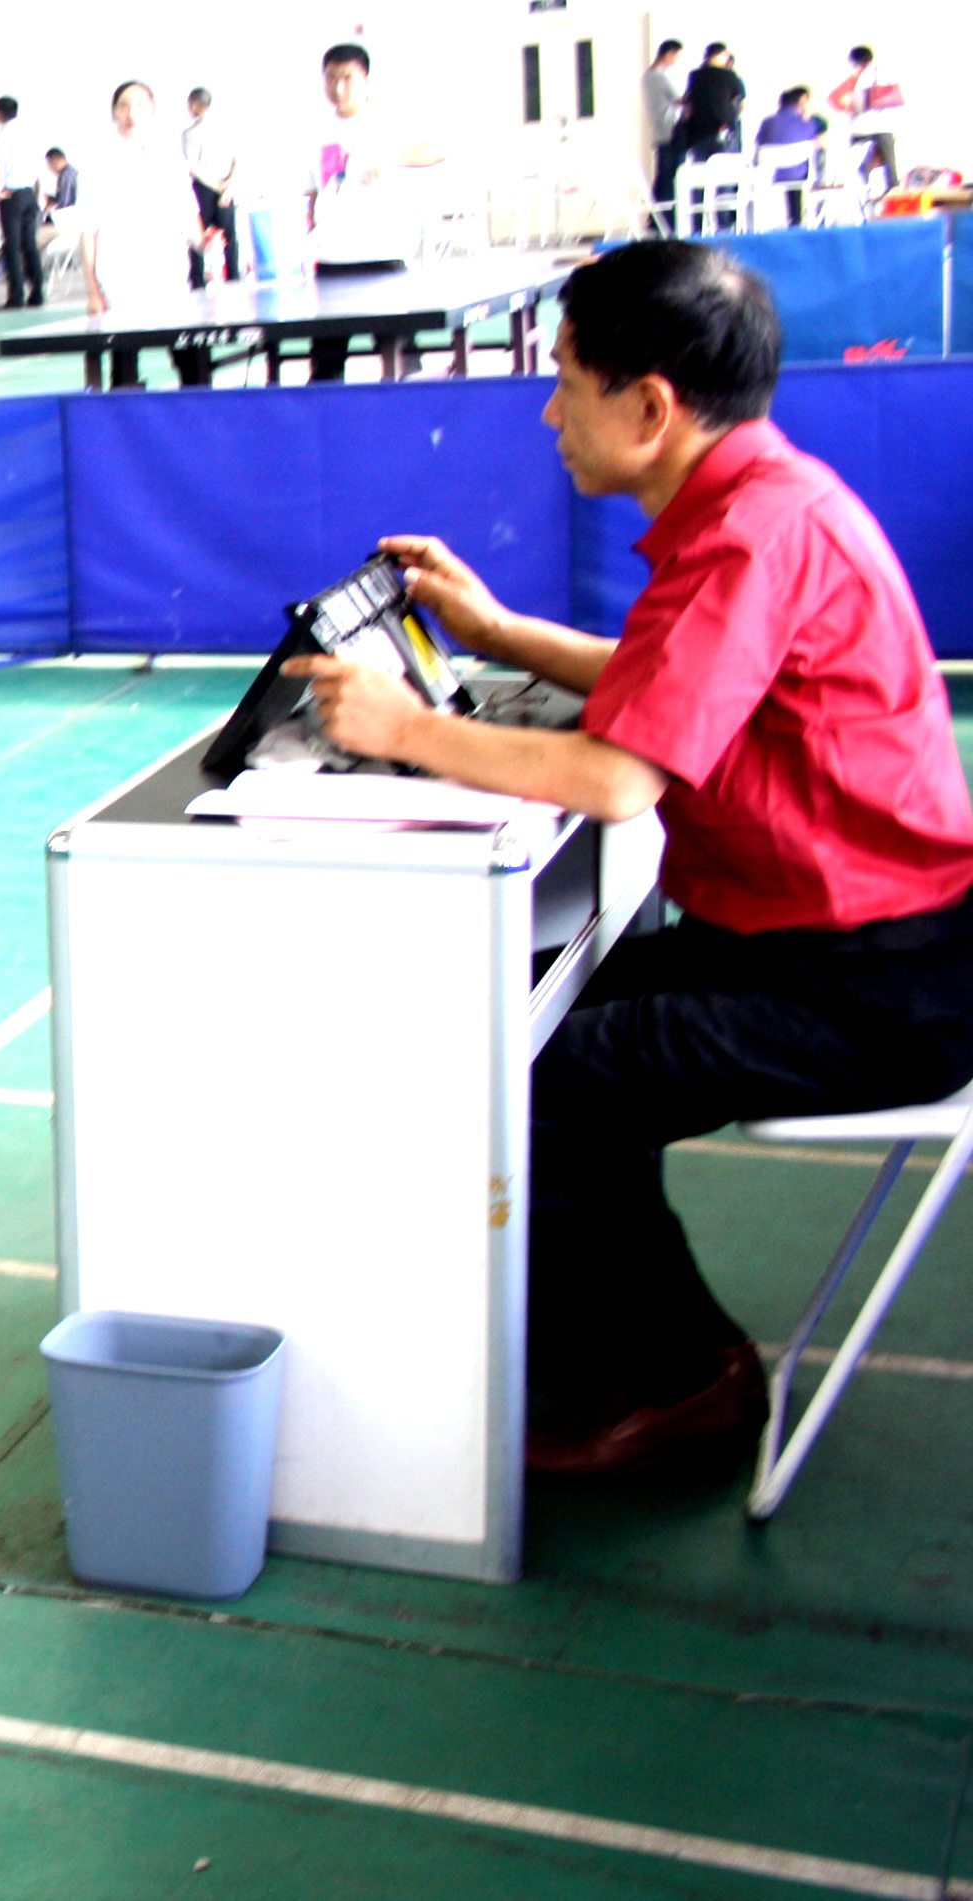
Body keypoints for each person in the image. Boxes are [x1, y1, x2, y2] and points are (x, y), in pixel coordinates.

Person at [281, 243, 973, 1476]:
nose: (551, 412)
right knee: (509, 1014)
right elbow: (671, 685)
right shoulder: (767, 504)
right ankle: (594, 1328)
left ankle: (680, 1378)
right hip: (805, 943)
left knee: (536, 1078)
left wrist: (406, 729)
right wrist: (498, 633)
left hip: (874, 983)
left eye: (565, 381)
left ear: (650, 407)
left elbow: (616, 778)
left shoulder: (750, 539)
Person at [301, 43, 446, 382]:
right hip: (332, 262)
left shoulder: (387, 122)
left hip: (382, 256)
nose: (338, 87)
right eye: (331, 78)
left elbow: (437, 149)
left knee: (401, 359)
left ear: (365, 80)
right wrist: (309, 238)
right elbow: (312, 193)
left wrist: (391, 159)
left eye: (347, 78)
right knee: (325, 365)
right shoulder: (315, 132)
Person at [82, 83, 213, 386]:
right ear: (114, 112)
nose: (131, 112)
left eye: (140, 105)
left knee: (191, 360)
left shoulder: (171, 156)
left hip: (169, 276)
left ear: (152, 110)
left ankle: (198, 408)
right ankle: (125, 412)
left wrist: (204, 242)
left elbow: (188, 214)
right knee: (124, 365)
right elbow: (88, 231)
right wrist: (92, 290)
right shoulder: (98, 161)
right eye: (124, 105)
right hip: (119, 280)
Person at [662, 43, 749, 217]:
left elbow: (689, 103)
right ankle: (724, 221)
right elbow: (740, 102)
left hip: (698, 134)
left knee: (699, 179)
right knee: (725, 179)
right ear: (721, 55)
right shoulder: (729, 75)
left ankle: (697, 221)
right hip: (723, 132)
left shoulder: (695, 76)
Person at [0, 97, 47, 308]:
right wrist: (39, 195)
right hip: (30, 194)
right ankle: (37, 293)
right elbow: (39, 168)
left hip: (12, 196)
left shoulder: (3, 135)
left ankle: (16, 296)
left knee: (12, 247)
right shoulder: (29, 134)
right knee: (30, 245)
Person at [184, 87, 240, 285]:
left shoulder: (190, 133)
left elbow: (193, 167)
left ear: (194, 105)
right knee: (230, 236)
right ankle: (233, 277)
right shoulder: (227, 129)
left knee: (199, 235)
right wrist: (229, 185)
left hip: (205, 189)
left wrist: (217, 187)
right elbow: (238, 161)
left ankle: (197, 280)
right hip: (226, 187)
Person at [829, 46, 901, 183]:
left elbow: (833, 98)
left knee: (852, 161)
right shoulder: (883, 72)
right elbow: (895, 95)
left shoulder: (855, 77)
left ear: (854, 61)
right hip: (882, 125)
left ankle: (861, 181)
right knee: (889, 165)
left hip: (860, 126)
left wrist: (850, 108)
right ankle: (891, 189)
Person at [643, 40, 688, 191]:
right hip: (670, 130)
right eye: (676, 56)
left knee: (663, 176)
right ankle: (666, 207)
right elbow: (679, 100)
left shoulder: (647, 77)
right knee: (671, 178)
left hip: (659, 131)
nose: (676, 61)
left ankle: (657, 206)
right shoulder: (660, 77)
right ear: (669, 54)